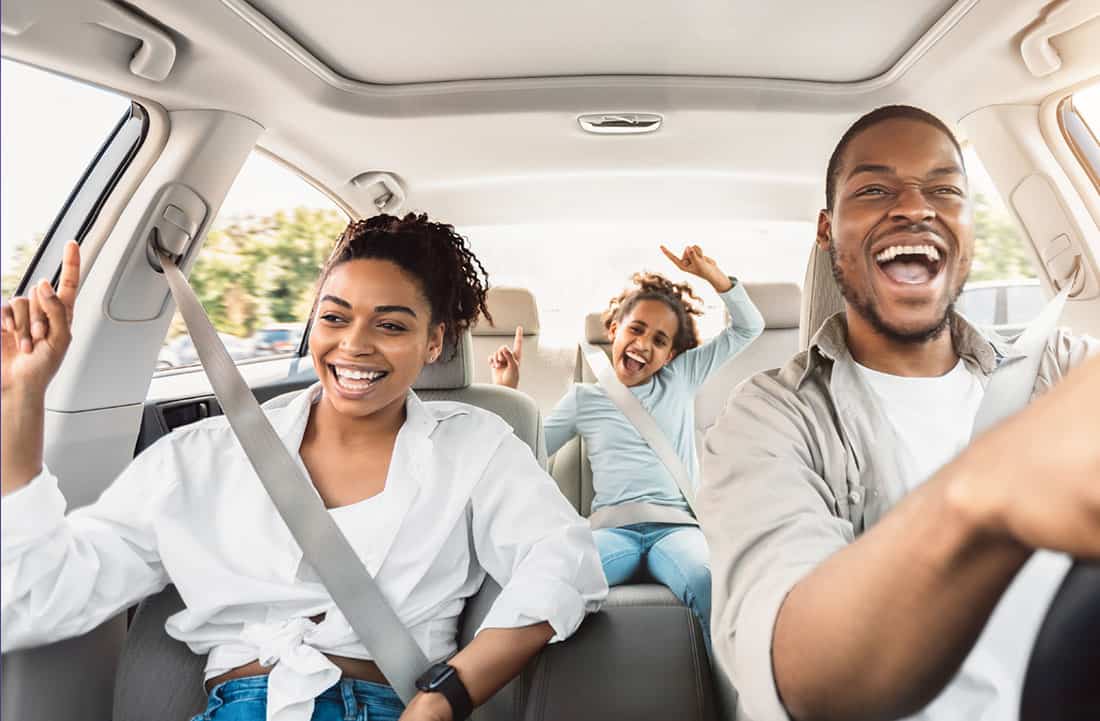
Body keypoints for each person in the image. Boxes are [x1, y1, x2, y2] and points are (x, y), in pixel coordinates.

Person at [1, 214, 608, 721]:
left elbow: (563, 560)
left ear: (433, 342)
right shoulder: (202, 456)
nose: (355, 345)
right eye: (335, 317)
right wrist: (23, 399)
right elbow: (39, 594)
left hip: (389, 705)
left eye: (391, 325)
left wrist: (447, 694)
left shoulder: (474, 445)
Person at [697, 105, 1100, 721]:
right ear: (827, 230)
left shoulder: (1063, 370)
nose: (915, 206)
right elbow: (800, 674)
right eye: (875, 189)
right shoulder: (769, 418)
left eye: (944, 189)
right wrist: (982, 496)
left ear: (968, 224)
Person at [490, 245, 764, 647]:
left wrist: (715, 278)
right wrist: (508, 394)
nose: (643, 345)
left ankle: (738, 696)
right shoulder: (584, 398)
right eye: (636, 330)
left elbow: (748, 327)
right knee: (554, 581)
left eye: (659, 340)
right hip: (611, 532)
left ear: (671, 354)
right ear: (615, 328)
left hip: (676, 530)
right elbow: (529, 457)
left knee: (708, 580)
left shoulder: (682, 377)